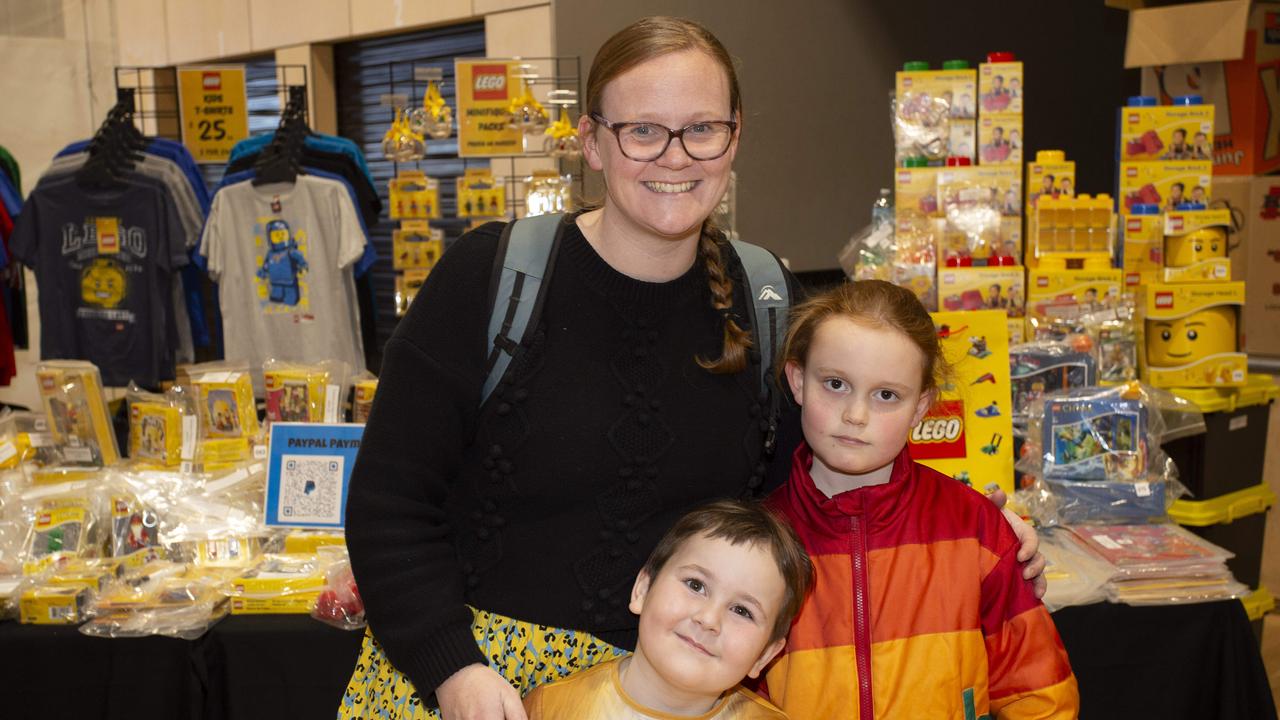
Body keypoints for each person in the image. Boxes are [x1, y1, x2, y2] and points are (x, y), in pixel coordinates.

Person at [340, 16, 1044, 720]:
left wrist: (978, 524)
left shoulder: (766, 300)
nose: (674, 157)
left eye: (701, 129)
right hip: (483, 689)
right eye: (642, 130)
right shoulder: (492, 278)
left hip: (680, 694)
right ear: (591, 141)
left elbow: (820, 483)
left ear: (734, 137)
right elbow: (390, 504)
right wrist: (451, 665)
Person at [763, 281, 1079, 719]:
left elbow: (1040, 691)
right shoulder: (758, 539)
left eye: (886, 395)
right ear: (798, 381)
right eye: (835, 384)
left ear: (921, 406)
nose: (856, 415)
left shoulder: (975, 529)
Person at [523, 500, 813, 719]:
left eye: (742, 610)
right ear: (642, 590)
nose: (708, 619)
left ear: (764, 655)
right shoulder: (549, 709)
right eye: (696, 585)